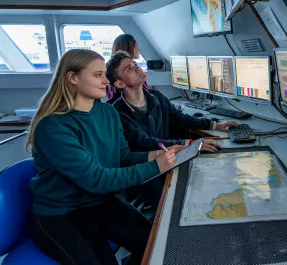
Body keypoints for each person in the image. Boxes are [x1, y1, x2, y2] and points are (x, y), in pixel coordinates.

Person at [27, 49, 182, 265]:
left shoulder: (108, 113)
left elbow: (123, 157)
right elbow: (96, 180)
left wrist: (152, 155)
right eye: (98, 75)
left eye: (105, 74)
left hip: (99, 202)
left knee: (157, 246)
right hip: (61, 214)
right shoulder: (52, 127)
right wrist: (156, 167)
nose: (106, 81)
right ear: (72, 78)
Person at [106, 51, 237, 153]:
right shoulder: (117, 112)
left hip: (168, 153)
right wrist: (189, 144)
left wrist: (214, 125)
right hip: (149, 164)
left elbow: (180, 118)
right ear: (120, 83)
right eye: (129, 69)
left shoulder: (156, 97)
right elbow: (145, 143)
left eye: (135, 64)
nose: (138, 69)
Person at [107, 34, 147, 104]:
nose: (139, 49)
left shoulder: (111, 72)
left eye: (134, 65)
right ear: (131, 47)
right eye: (136, 45)